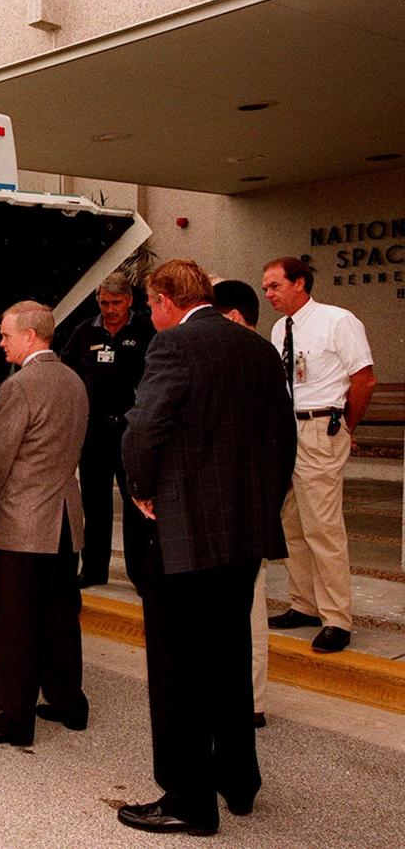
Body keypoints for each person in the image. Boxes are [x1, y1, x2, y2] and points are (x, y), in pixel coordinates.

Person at [118, 260, 294, 836]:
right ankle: (238, 782)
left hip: (185, 535)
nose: (150, 314)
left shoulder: (173, 347)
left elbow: (143, 428)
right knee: (229, 655)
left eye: (150, 304)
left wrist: (141, 490)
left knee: (178, 667)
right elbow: (283, 438)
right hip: (244, 533)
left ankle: (188, 800)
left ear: (167, 299)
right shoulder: (257, 349)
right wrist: (264, 502)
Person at [0, 300, 89, 747]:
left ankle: (15, 717)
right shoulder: (74, 380)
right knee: (61, 614)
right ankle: (68, 702)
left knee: (17, 622)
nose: (0, 342)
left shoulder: (19, 386)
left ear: (30, 336)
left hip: (24, 521)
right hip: (64, 518)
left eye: (5, 334)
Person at [262, 257, 377, 654]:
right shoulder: (280, 328)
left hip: (319, 425)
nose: (268, 294)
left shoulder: (337, 320)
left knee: (322, 525)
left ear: (300, 283)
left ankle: (336, 618)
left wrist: (347, 425)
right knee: (291, 519)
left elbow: (364, 378)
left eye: (275, 286)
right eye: (265, 287)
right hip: (287, 428)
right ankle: (304, 603)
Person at [60, 272, 155, 588]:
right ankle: (94, 569)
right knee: (95, 503)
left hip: (131, 429)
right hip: (94, 431)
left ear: (128, 300)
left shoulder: (145, 329)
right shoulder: (85, 331)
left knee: (134, 503)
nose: (110, 309)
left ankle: (140, 573)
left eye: (115, 302)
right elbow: (67, 369)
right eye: (104, 302)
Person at [213, 279, 271, 729]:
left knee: (248, 608)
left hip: (239, 506)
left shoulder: (245, 360)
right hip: (246, 502)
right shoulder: (261, 356)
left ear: (232, 318)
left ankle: (247, 701)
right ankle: (243, 699)